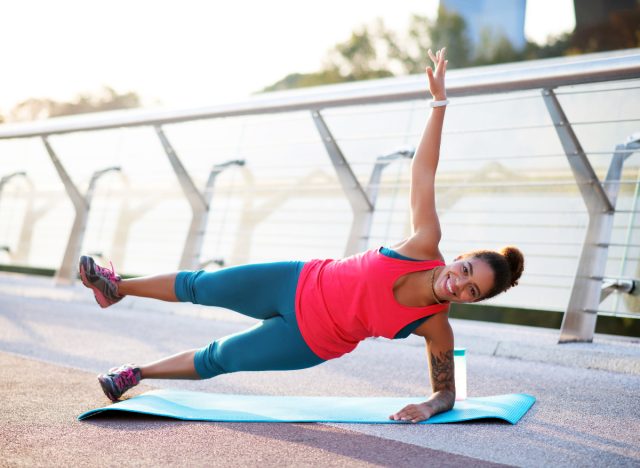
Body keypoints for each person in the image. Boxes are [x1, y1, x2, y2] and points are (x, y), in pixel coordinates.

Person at [79, 47, 524, 423]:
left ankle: (134, 374)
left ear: (470, 301)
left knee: (221, 358)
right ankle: (115, 287)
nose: (458, 283)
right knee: (201, 285)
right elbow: (423, 172)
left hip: (311, 340)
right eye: (465, 269)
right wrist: (439, 104)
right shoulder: (424, 243)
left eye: (470, 290)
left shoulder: (436, 327)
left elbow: (448, 392)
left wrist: (429, 406)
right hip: (295, 280)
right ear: (458, 257)